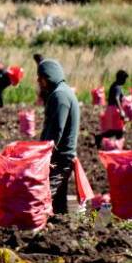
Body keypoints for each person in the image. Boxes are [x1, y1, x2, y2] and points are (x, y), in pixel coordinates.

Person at [38, 59, 80, 215]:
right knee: (59, 206)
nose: (38, 81)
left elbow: (56, 131)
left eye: (40, 77)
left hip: (59, 160)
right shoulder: (61, 92)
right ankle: (63, 234)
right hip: (61, 158)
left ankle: (38, 234)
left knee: (42, 200)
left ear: (49, 76)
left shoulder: (60, 95)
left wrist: (46, 158)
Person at [96, 69, 128, 148]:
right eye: (124, 79)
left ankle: (100, 137)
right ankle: (118, 148)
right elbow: (117, 98)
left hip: (110, 109)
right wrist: (121, 111)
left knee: (113, 130)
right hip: (115, 110)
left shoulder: (114, 85)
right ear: (121, 79)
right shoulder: (117, 87)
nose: (125, 81)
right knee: (119, 131)